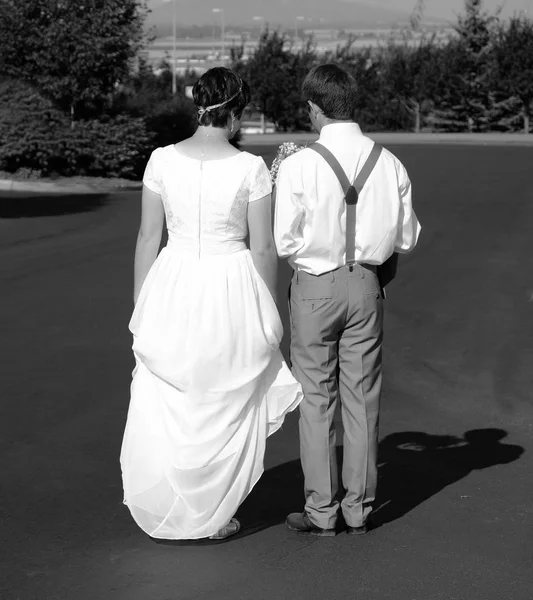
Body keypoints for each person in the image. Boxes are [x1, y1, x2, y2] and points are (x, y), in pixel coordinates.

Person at [120, 67, 303, 541]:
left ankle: (179, 503)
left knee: (177, 396)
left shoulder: (161, 159)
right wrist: (268, 310)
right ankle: (214, 509)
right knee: (222, 394)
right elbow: (263, 247)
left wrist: (143, 303)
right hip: (231, 284)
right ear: (237, 112)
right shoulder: (250, 169)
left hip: (173, 281)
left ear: (198, 103)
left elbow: (146, 236)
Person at [274, 64, 421, 536]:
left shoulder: (299, 164)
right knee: (362, 398)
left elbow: (284, 241)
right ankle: (359, 508)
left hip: (316, 286)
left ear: (315, 109)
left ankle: (321, 509)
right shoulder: (390, 161)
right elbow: (407, 237)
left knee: (316, 398)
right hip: (368, 285)